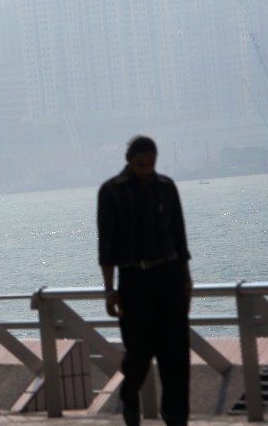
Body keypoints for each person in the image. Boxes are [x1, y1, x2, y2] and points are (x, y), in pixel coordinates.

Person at [97, 135, 192, 426]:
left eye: (151, 164)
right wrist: (109, 291)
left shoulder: (166, 187)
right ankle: (129, 393)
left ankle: (176, 416)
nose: (147, 170)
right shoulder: (111, 192)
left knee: (176, 353)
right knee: (139, 351)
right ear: (129, 160)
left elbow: (179, 236)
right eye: (141, 165)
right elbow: (106, 247)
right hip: (134, 280)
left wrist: (186, 279)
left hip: (169, 276)